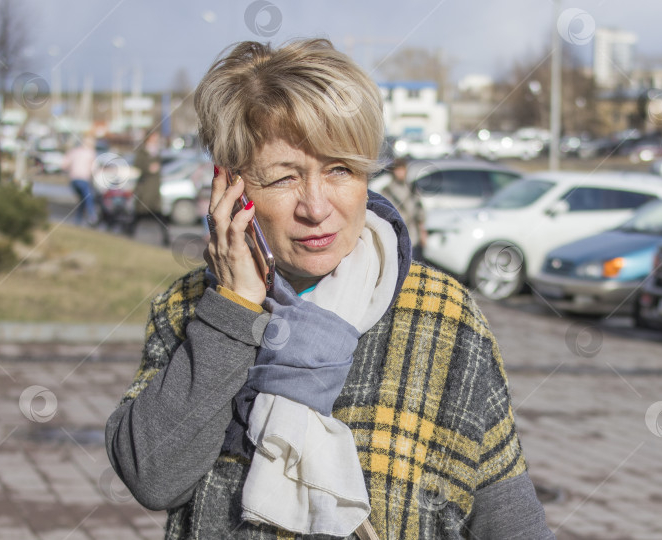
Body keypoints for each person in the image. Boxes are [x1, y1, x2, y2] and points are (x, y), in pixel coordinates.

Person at [105, 39, 553, 539]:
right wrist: (232, 312)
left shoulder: (442, 317)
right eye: (283, 178)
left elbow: (509, 519)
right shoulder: (192, 310)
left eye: (339, 169)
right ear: (231, 188)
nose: (316, 207)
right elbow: (153, 478)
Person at [128, 130, 170, 246]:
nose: (156, 140)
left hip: (155, 188)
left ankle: (166, 238)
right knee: (139, 214)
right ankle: (129, 234)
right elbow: (137, 165)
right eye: (154, 137)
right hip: (145, 188)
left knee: (159, 215)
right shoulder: (142, 152)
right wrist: (148, 168)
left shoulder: (157, 151)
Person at [380, 157, 427, 260]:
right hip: (396, 235)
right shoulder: (387, 191)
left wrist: (423, 232)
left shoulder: (412, 188)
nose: (400, 173)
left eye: (402, 169)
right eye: (398, 170)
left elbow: (419, 212)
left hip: (413, 235)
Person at [61, 135, 98, 226]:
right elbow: (94, 168)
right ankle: (92, 215)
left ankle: (77, 220)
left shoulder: (74, 152)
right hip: (83, 179)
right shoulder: (90, 153)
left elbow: (64, 165)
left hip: (73, 180)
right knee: (88, 197)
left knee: (82, 199)